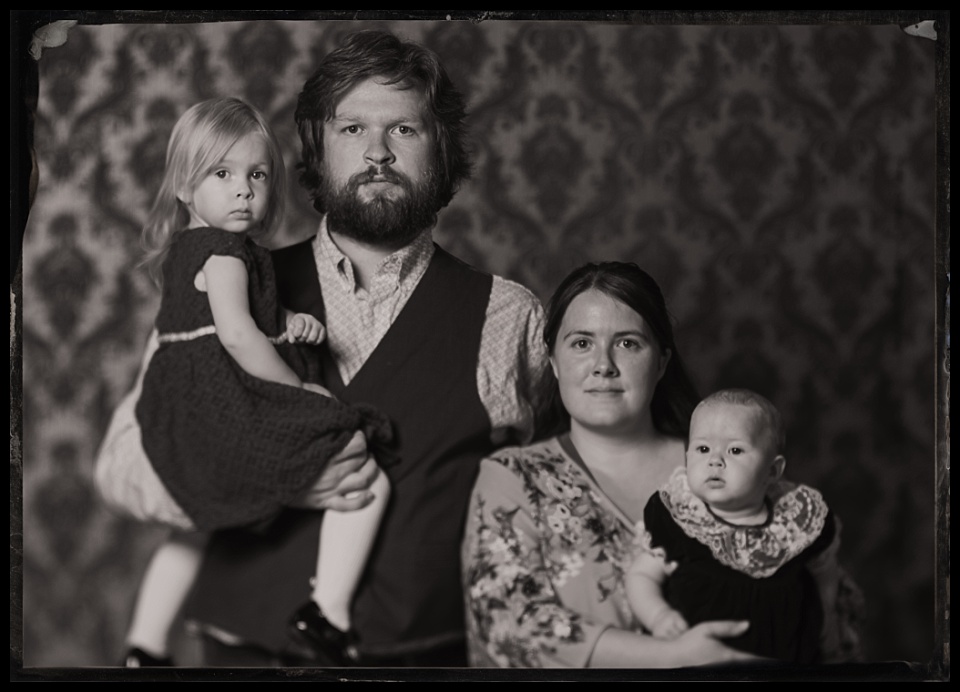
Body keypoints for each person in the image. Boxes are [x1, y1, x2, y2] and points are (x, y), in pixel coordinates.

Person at [95, 30, 545, 667]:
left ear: (440, 151)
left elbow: (543, 495)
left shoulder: (512, 314)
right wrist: (270, 480)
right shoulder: (225, 283)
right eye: (353, 129)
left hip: (424, 657)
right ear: (317, 146)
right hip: (241, 657)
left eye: (406, 131)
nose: (379, 153)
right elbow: (122, 469)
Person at [108, 97, 392, 668]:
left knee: (196, 524)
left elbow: (237, 318)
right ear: (186, 188)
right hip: (219, 402)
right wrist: (296, 388)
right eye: (222, 173)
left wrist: (288, 320)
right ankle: (327, 616)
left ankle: (145, 646)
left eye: (257, 174)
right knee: (360, 461)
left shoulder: (202, 250)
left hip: (180, 410)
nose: (243, 189)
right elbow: (238, 337)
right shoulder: (224, 253)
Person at [462, 261, 767, 668]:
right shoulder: (512, 478)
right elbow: (510, 624)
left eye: (627, 343)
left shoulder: (728, 467)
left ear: (660, 362)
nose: (603, 364)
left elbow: (809, 594)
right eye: (582, 343)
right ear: (553, 361)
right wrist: (672, 656)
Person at [626, 389, 841, 663]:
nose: (715, 460)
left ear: (772, 471)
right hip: (697, 670)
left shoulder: (796, 524)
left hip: (787, 666)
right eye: (703, 449)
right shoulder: (680, 521)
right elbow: (642, 576)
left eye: (735, 450)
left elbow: (824, 570)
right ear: (687, 455)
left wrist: (829, 616)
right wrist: (659, 617)